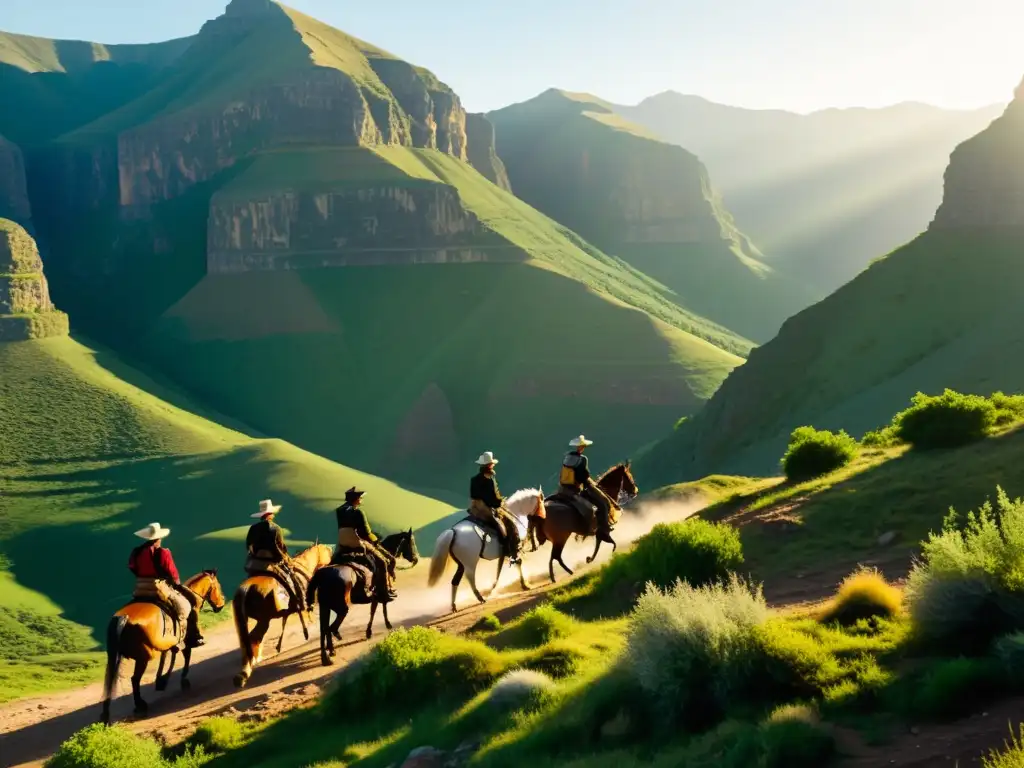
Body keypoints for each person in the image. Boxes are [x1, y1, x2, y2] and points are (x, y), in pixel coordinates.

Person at [128, 522, 204, 648]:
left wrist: (142, 576)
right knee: (185, 605)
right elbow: (172, 571)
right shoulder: (163, 552)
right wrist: (177, 584)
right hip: (158, 587)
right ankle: (184, 637)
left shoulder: (136, 552)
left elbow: (132, 567)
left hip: (140, 587)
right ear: (158, 538)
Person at [334, 487, 397, 602]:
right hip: (355, 541)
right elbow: (365, 533)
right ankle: (383, 593)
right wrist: (375, 540)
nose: (361, 499)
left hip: (342, 541)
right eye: (360, 497)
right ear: (356, 499)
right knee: (382, 562)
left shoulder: (339, 510)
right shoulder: (358, 512)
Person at [245, 499, 306, 611]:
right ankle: (298, 602)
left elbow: (249, 546)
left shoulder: (253, 528)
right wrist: (285, 557)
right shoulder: (276, 528)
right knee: (291, 577)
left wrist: (255, 555)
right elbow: (279, 547)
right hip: (271, 560)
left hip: (255, 562)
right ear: (270, 514)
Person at [469, 451, 522, 563]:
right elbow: (493, 499)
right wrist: (500, 503)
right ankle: (508, 550)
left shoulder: (474, 479)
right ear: (490, 465)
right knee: (508, 526)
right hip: (486, 510)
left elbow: (474, 496)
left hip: (474, 509)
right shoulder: (489, 480)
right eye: (492, 464)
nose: (493, 466)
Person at [559, 435, 612, 538]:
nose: (583, 448)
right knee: (603, 504)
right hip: (575, 489)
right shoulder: (583, 459)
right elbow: (584, 476)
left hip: (563, 489)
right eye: (583, 446)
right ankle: (603, 527)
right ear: (582, 447)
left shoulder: (567, 457)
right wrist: (591, 484)